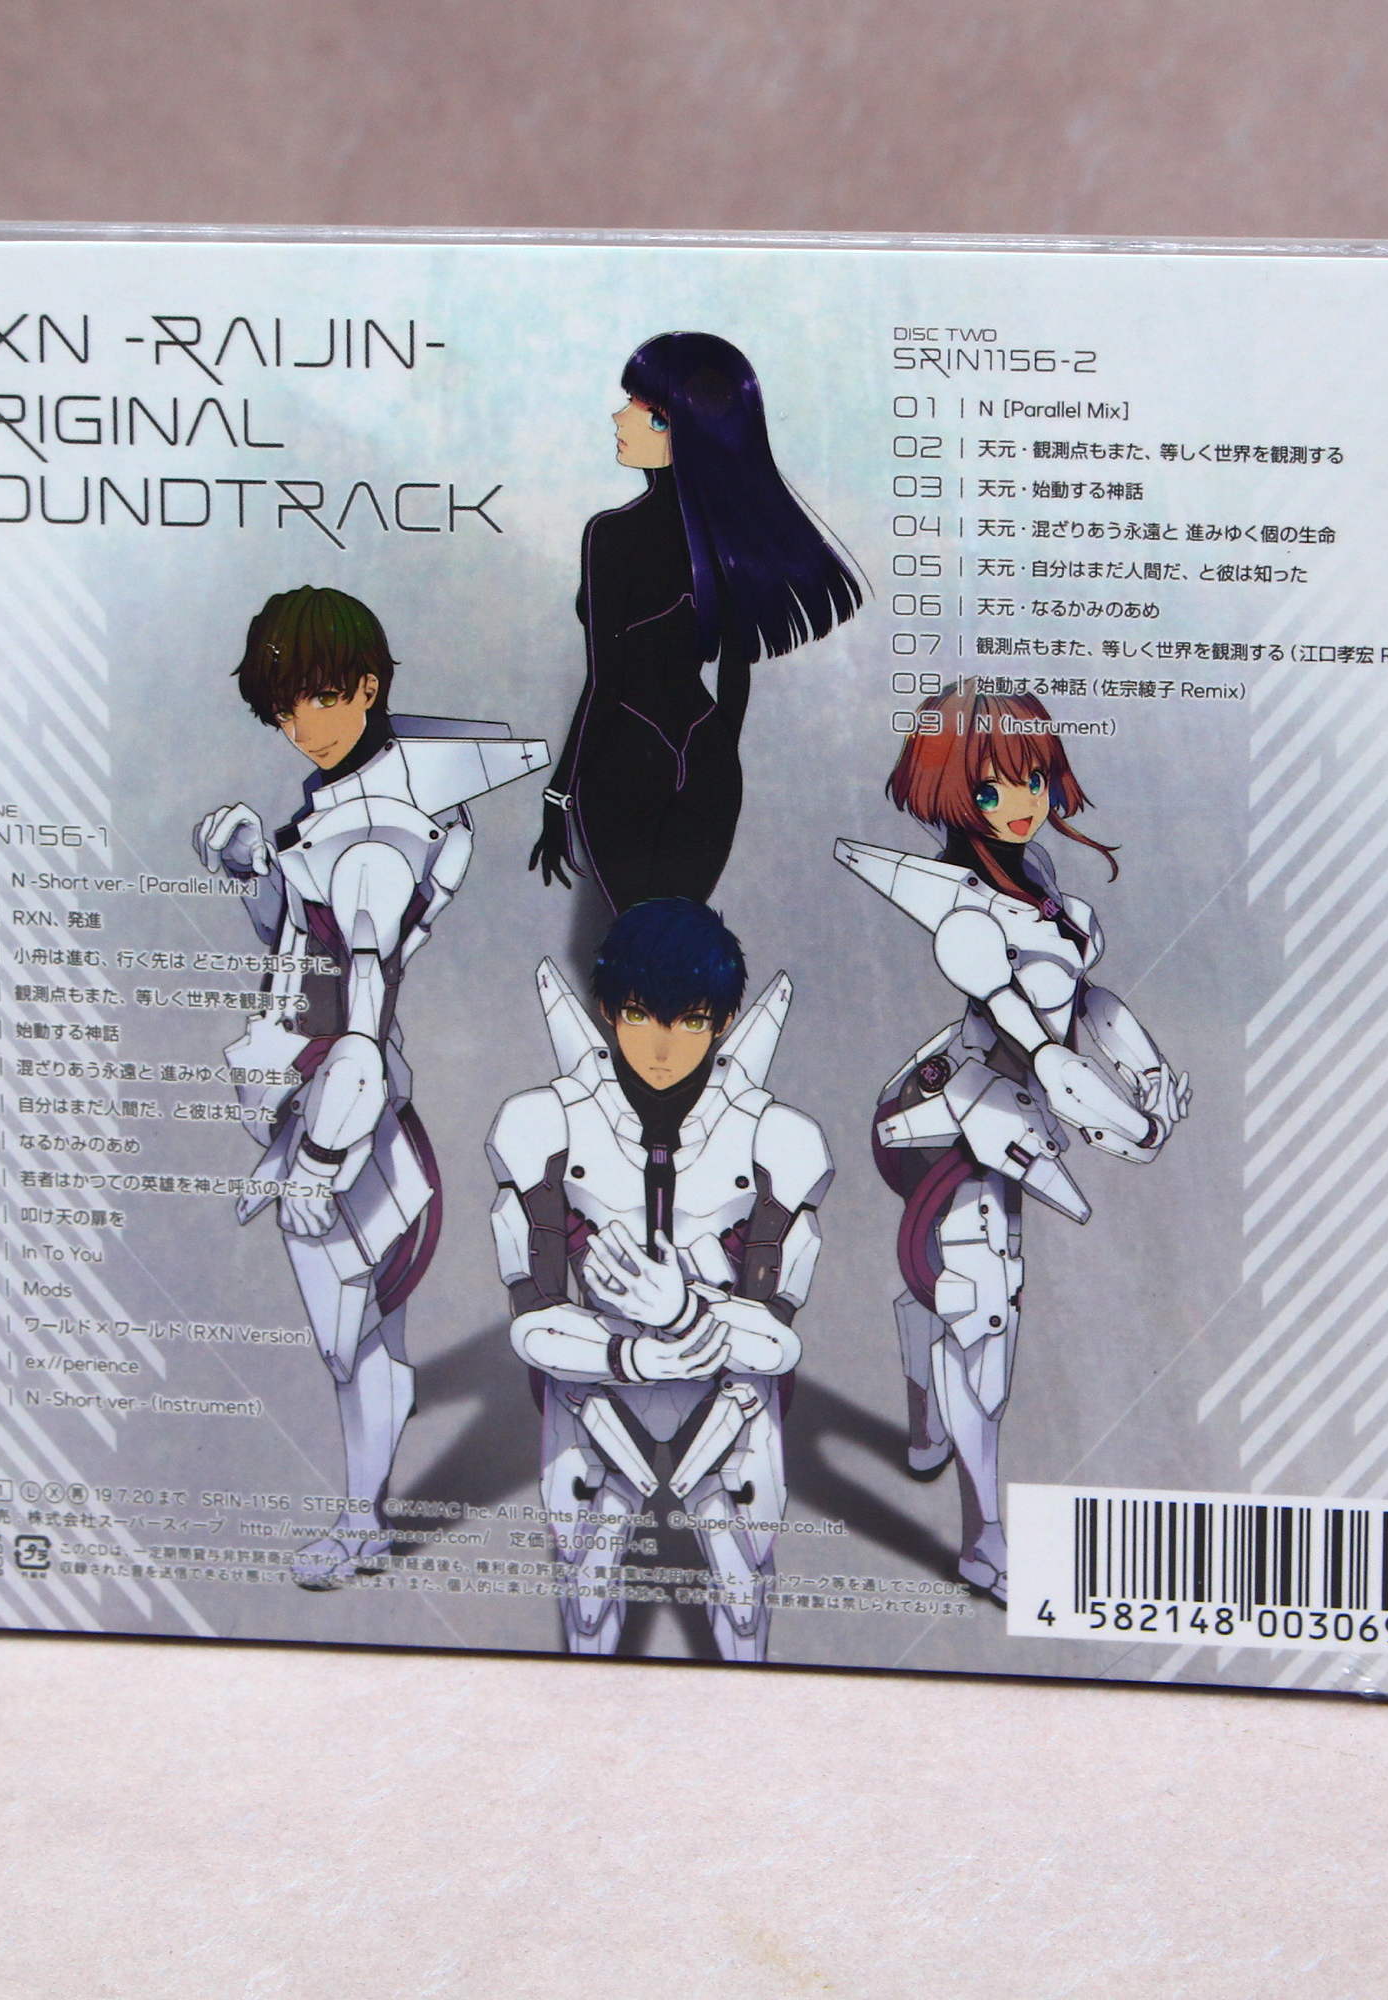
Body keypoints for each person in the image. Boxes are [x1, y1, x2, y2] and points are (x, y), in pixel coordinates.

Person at [193, 584, 548, 1588]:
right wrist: (256, 871)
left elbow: (360, 1008)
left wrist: (317, 1156)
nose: (300, 725)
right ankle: (366, 1502)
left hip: (345, 1117)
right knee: (351, 1340)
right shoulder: (337, 815)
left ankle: (362, 1522)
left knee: (352, 1342)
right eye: (283, 707)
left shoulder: (374, 840)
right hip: (314, 1104)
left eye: (318, 697)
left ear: (365, 688)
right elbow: (292, 948)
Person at [836, 688, 1190, 1604]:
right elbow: (1042, 1049)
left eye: (1031, 779)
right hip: (959, 1115)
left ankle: (925, 1405)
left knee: (964, 1303)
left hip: (1019, 1095)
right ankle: (983, 1539)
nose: (1021, 802)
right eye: (993, 789)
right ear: (954, 795)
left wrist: (1147, 1072)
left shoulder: (1037, 876)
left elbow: (1084, 1003)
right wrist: (1126, 1124)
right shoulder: (969, 918)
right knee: (986, 1317)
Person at [485, 899, 832, 1661]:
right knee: (585, 1603)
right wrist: (633, 1355)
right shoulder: (543, 1125)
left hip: (732, 1399)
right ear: (607, 1012)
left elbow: (777, 1343)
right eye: (641, 1015)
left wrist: (680, 1314)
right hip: (592, 1392)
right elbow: (533, 1320)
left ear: (726, 1022)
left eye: (692, 1021)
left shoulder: (778, 1139)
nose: (663, 1049)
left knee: (744, 1602)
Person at [531, 332, 861, 910]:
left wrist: (559, 794)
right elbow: (735, 670)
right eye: (629, 402)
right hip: (707, 745)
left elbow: (606, 683)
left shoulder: (612, 534)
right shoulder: (724, 538)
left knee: (638, 937)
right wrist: (717, 756)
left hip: (629, 747)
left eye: (649, 413)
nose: (620, 418)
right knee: (681, 934)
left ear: (690, 434)